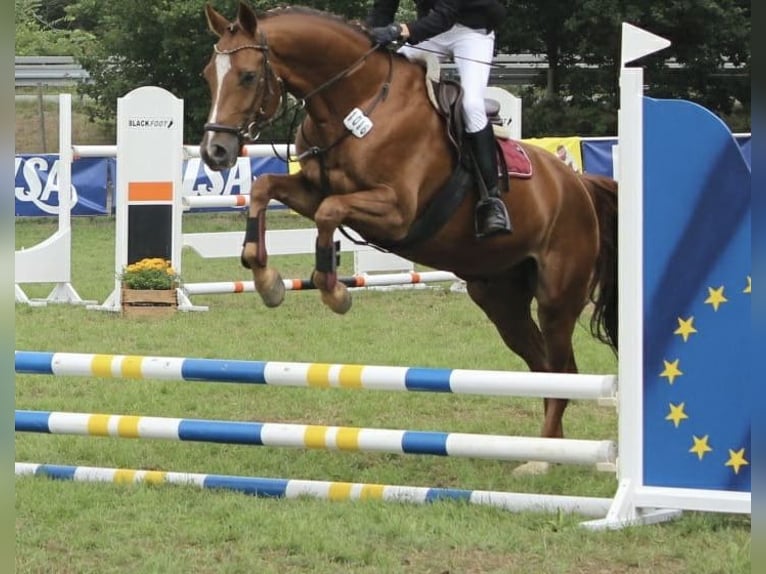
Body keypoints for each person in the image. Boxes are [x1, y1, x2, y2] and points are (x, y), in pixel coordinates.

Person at [368, 0, 512, 238]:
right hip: (434, 33)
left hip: (471, 33)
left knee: (471, 104)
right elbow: (383, 8)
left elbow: (444, 15)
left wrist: (398, 31)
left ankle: (491, 201)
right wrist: (368, 35)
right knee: (388, 76)